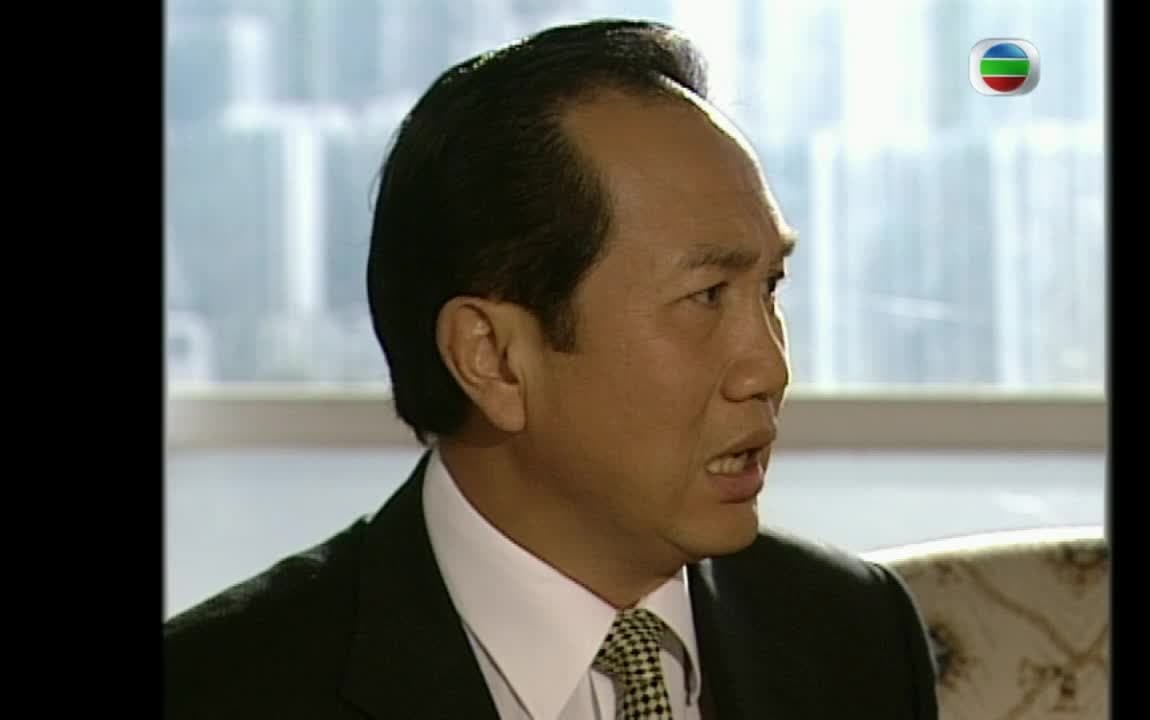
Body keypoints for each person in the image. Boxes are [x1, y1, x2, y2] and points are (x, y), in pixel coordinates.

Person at [164, 18, 939, 720]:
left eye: (769, 287)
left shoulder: (852, 628)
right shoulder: (215, 689)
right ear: (493, 359)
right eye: (706, 296)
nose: (768, 368)